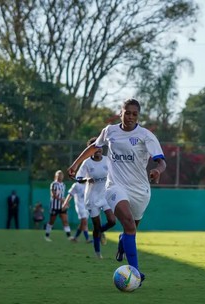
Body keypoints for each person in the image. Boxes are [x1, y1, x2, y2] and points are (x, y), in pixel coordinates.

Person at [68, 98, 166, 286]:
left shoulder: (146, 135)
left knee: (131, 230)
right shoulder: (110, 131)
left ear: (138, 116)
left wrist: (157, 171)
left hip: (140, 190)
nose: (130, 117)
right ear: (120, 112)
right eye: (126, 112)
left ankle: (123, 241)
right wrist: (75, 164)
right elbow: (95, 147)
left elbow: (161, 161)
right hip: (115, 186)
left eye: (134, 114)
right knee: (129, 224)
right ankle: (135, 273)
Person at [76, 137, 116, 258]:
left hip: (105, 195)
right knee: (96, 226)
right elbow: (78, 178)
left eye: (99, 147)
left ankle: (101, 232)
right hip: (92, 197)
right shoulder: (87, 163)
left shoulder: (107, 160)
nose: (98, 149)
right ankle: (98, 253)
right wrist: (86, 179)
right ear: (90, 150)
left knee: (112, 221)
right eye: (95, 147)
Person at [44, 170, 71, 242]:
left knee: (65, 221)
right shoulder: (53, 184)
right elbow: (53, 195)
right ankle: (47, 236)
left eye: (61, 174)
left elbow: (62, 195)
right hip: (54, 206)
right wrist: (62, 200)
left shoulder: (63, 185)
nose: (60, 176)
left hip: (62, 207)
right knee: (51, 221)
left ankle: (69, 237)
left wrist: (66, 202)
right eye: (59, 174)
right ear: (56, 176)